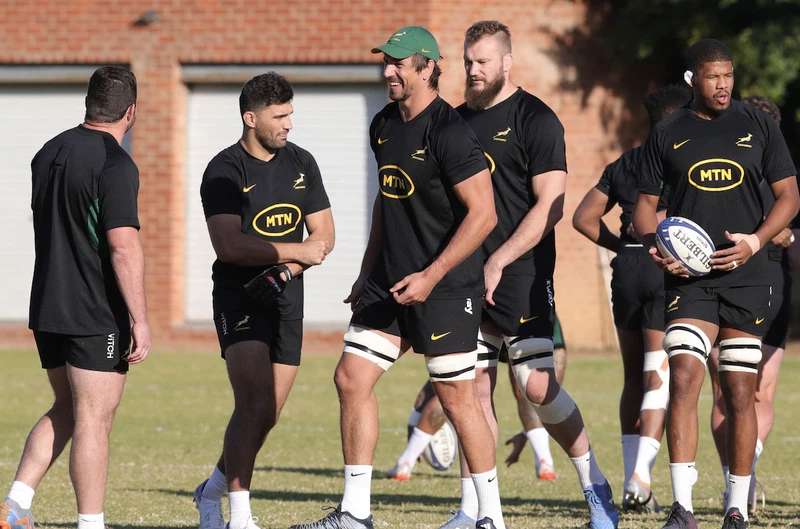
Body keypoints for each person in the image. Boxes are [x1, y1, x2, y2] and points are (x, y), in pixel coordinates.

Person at [289, 26, 503, 529]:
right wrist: (368, 270)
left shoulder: (450, 132)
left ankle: (490, 518)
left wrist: (431, 275)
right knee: (350, 378)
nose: (388, 71)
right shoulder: (383, 124)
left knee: (457, 398)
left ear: (428, 68)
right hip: (389, 281)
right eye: (386, 61)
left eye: (399, 63)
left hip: (446, 286)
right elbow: (388, 200)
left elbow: (484, 215)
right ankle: (355, 513)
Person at [441, 20, 619, 529]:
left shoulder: (536, 119)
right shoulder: (453, 123)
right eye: (468, 61)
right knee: (472, 389)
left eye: (482, 61)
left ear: (506, 61)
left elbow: (551, 206)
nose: (473, 70)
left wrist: (500, 259)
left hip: (522, 271)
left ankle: (595, 485)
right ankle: (476, 510)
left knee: (536, 386)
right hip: (466, 275)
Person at [632, 39, 799, 529]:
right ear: (694, 79)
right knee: (684, 375)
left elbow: (789, 197)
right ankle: (683, 508)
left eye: (728, 75)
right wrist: (656, 245)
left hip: (749, 277)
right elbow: (644, 206)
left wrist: (756, 241)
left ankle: (735, 507)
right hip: (691, 281)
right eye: (713, 76)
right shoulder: (668, 131)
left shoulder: (759, 125)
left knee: (739, 389)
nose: (723, 85)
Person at [1, 66, 151, 529]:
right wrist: (140, 319)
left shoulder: (48, 152)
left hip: (47, 307)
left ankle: (15, 506)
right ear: (131, 111)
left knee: (67, 407)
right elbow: (123, 246)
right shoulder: (115, 164)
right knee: (94, 419)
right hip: (94, 313)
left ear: (89, 104)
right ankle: (91, 523)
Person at [193, 72, 334, 529]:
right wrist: (297, 252)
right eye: (279, 116)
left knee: (268, 413)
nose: (289, 124)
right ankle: (241, 515)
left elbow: (323, 235)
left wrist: (289, 270)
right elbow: (229, 246)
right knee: (252, 401)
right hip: (239, 297)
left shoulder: (303, 162)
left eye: (291, 114)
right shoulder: (223, 170)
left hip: (287, 296)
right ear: (250, 118)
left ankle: (210, 491)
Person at [572, 84, 692, 513]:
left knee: (631, 378)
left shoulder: (625, 163)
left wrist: (621, 247)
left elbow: (583, 218)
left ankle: (631, 482)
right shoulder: (684, 162)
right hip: (663, 267)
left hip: (627, 269)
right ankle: (641, 477)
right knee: (658, 372)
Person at [707, 95, 798, 515]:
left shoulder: (784, 178)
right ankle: (735, 481)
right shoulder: (716, 169)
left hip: (771, 284)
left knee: (761, 390)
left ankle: (744, 472)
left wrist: (774, 235)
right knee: (725, 391)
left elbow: (790, 235)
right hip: (719, 284)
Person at [390, 314, 567, 483]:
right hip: (524, 311)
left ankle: (406, 462)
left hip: (482, 313)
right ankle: (545, 462)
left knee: (458, 387)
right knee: (533, 387)